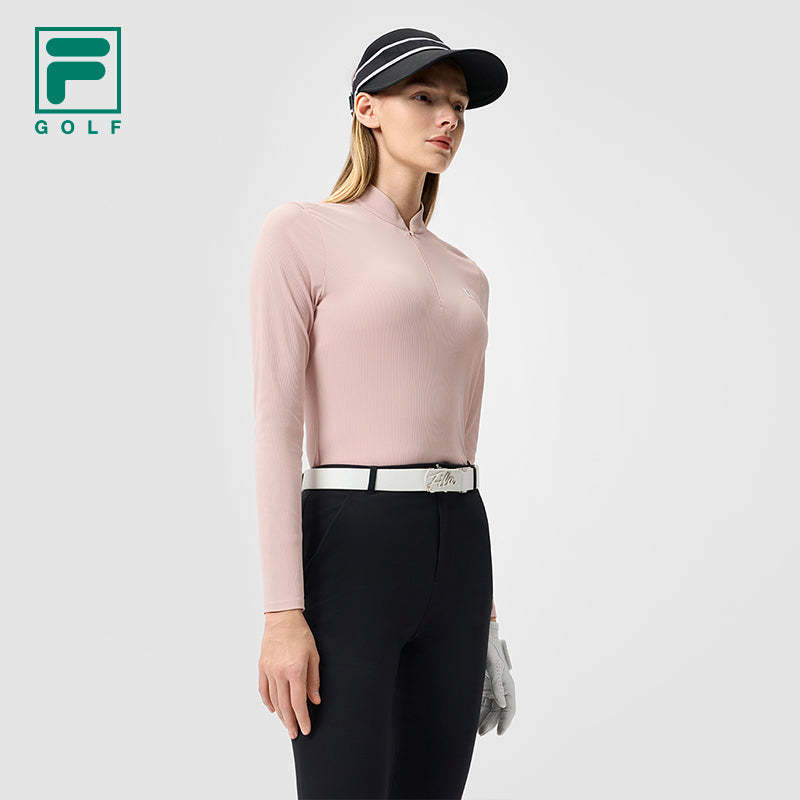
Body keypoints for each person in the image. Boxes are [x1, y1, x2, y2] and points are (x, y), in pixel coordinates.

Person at [249, 27, 516, 799]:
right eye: (424, 96)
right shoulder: (300, 233)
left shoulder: (467, 274)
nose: (448, 118)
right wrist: (282, 614)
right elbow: (275, 427)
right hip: (352, 542)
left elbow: (466, 438)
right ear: (367, 108)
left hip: (459, 544)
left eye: (458, 104)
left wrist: (486, 620)